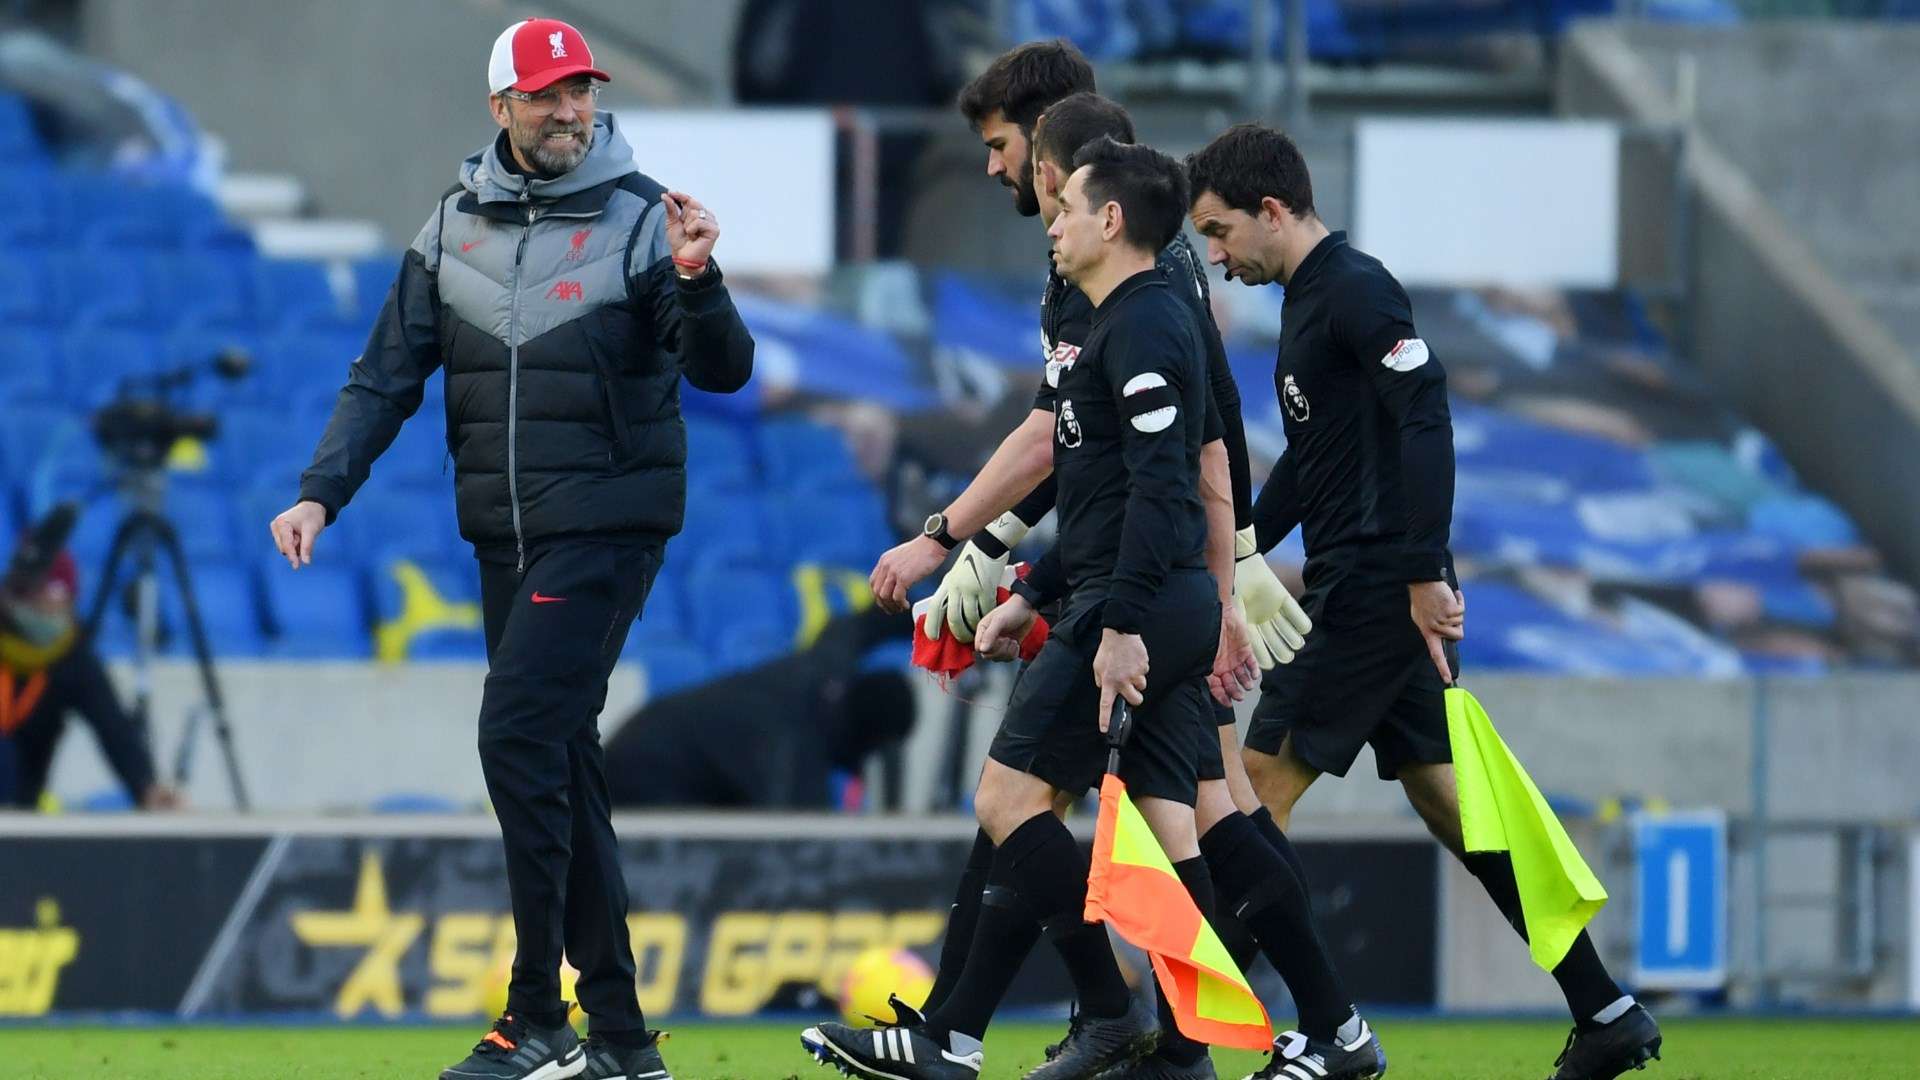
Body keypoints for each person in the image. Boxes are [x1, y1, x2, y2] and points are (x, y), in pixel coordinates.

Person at [268, 18, 753, 1080]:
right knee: (563, 763)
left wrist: (702, 280)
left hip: (608, 527)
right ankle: (622, 1038)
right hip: (507, 540)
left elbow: (723, 373)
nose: (569, 110)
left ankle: (538, 1015)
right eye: (546, 95)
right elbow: (382, 377)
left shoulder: (643, 220)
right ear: (502, 109)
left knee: (516, 736)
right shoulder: (450, 228)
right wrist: (319, 496)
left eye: (580, 91)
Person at [1184, 123, 1663, 1080]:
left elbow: (1426, 412)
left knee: (1252, 797)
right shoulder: (1308, 302)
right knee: (1449, 802)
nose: (1218, 257)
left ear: (1272, 210)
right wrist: (1236, 551)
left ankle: (1236, 1037)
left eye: (1221, 230)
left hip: (1370, 591)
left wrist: (1421, 571)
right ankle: (1604, 1008)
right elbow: (1316, 469)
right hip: (1366, 583)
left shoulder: (1357, 289)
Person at [0, 520, 179, 811]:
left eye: (59, 597)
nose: (49, 607)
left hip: (20, 807)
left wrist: (145, 786)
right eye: (40, 594)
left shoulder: (70, 656)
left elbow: (112, 726)